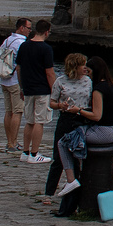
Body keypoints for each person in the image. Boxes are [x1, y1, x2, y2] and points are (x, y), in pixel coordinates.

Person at [49, 65, 113, 203]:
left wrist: (78, 110)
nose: (86, 73)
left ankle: (71, 180)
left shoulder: (96, 87)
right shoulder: (112, 86)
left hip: (99, 129)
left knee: (64, 142)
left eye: (88, 70)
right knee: (75, 139)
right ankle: (74, 182)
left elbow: (96, 116)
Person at [40, 53, 91, 200]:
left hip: (81, 118)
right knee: (58, 157)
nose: (85, 68)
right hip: (66, 119)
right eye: (83, 65)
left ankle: (77, 189)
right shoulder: (60, 82)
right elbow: (52, 102)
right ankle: (49, 193)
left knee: (78, 156)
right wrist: (60, 105)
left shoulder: (88, 81)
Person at [14, 20, 58, 163]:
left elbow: (19, 68)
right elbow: (49, 72)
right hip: (42, 89)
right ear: (46, 32)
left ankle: (25, 152)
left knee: (29, 121)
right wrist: (55, 90)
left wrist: (21, 87)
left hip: (28, 88)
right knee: (40, 121)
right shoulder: (46, 49)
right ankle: (34, 154)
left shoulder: (24, 46)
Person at [0, 18, 31, 152]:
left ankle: (9, 141)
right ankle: (13, 143)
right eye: (28, 28)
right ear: (21, 28)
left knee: (8, 111)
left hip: (4, 79)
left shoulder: (8, 40)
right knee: (17, 112)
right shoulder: (22, 43)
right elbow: (24, 64)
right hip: (16, 81)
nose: (29, 31)